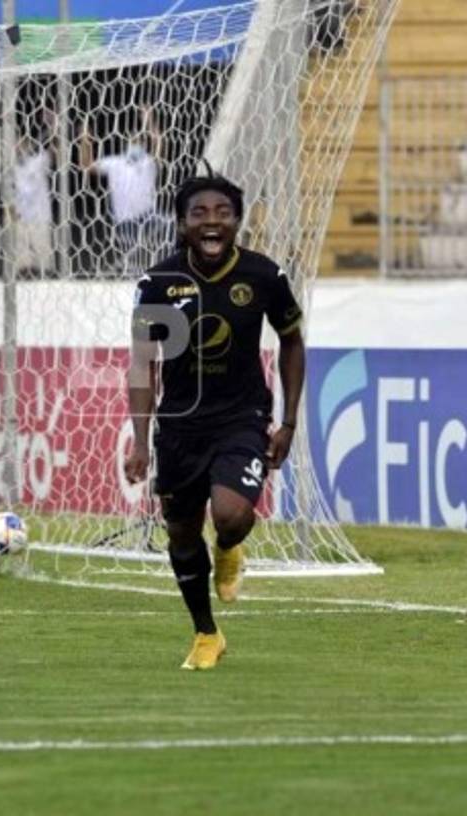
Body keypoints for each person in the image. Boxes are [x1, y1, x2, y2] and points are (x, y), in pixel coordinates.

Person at [125, 171, 305, 671]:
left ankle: (228, 547)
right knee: (182, 534)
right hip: (180, 425)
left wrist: (288, 422)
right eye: (199, 213)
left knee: (230, 514)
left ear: (237, 222)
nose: (212, 222)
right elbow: (144, 362)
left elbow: (292, 341)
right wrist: (139, 441)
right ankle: (206, 633)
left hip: (241, 417)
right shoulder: (159, 284)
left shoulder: (263, 276)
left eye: (223, 213)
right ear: (182, 224)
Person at [80, 109, 170, 274]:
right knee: (135, 263)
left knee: (173, 228)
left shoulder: (148, 162)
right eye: (133, 140)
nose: (136, 143)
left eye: (140, 140)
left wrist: (149, 120)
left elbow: (159, 142)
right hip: (126, 220)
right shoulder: (114, 163)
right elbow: (87, 166)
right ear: (126, 144)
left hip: (149, 216)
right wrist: (85, 141)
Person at [13, 137, 54, 277]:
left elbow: (54, 152)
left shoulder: (39, 161)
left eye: (22, 144)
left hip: (40, 216)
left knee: (43, 260)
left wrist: (54, 131)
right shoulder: (10, 168)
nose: (18, 147)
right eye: (15, 144)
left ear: (29, 144)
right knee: (22, 263)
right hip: (19, 218)